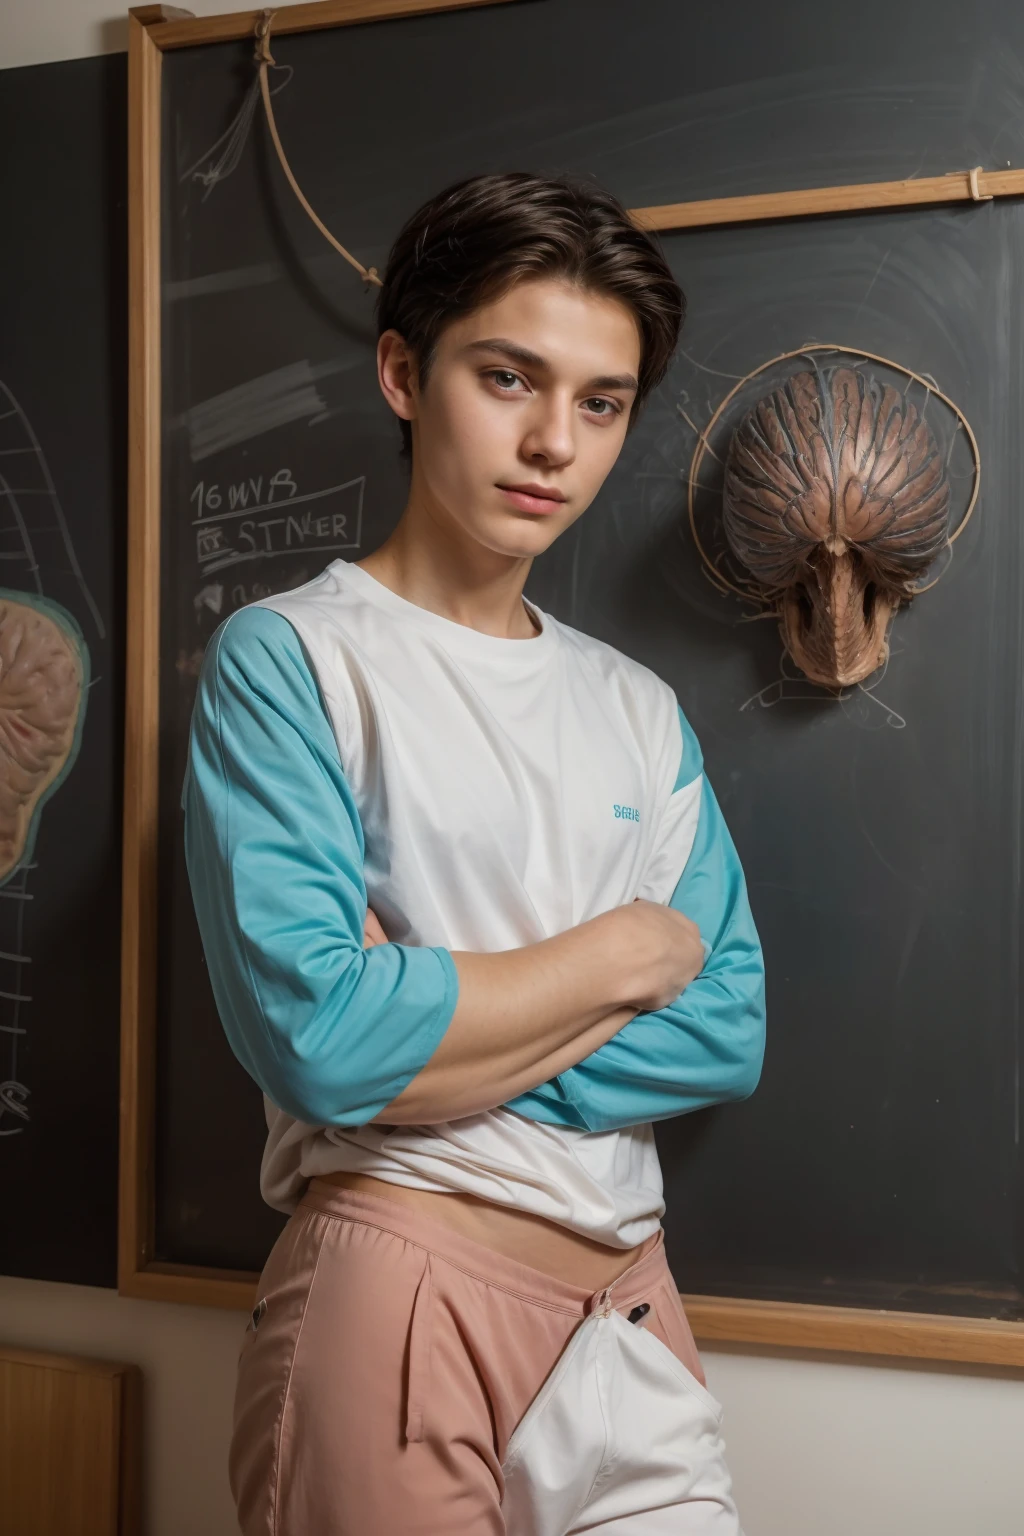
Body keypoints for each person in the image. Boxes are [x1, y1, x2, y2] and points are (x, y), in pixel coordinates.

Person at [184, 170, 765, 1535]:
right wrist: (624, 954)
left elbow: (724, 1030)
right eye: (509, 377)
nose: (554, 441)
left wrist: (425, 1027)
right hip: (397, 1288)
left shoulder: (637, 709)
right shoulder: (294, 660)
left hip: (629, 1304)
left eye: (602, 402)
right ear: (404, 371)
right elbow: (320, 1040)